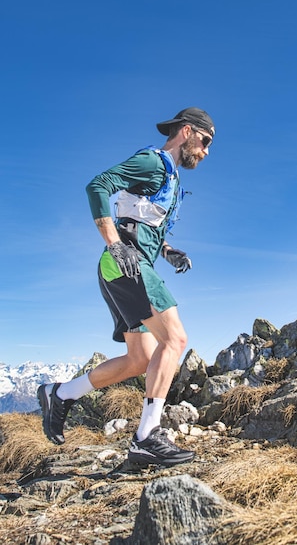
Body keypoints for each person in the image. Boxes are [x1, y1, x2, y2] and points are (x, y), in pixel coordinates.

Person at [37, 107, 215, 467]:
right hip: (124, 263)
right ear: (187, 131)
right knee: (175, 340)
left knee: (140, 359)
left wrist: (167, 251)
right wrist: (112, 242)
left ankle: (60, 393)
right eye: (206, 140)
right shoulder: (154, 161)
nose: (207, 151)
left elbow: (139, 220)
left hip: (125, 266)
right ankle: (147, 437)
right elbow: (98, 185)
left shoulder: (171, 178)